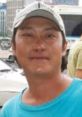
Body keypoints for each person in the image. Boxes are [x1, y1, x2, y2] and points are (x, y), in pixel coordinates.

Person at [1, 1, 82, 117]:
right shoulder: (9, 112)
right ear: (13, 46)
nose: (39, 45)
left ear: (64, 46)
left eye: (49, 36)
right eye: (28, 35)